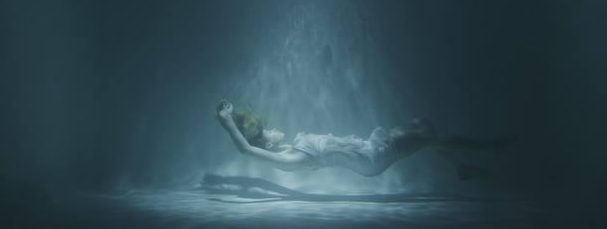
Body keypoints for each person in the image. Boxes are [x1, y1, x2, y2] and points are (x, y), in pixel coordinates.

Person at [215, 100, 518, 179]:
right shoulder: (293, 159)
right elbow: (246, 150)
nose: (273, 128)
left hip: (368, 149)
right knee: (429, 136)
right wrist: (228, 121)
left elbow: (252, 144)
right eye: (267, 130)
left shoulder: (294, 145)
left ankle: (460, 170)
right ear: (265, 142)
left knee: (421, 125)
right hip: (372, 158)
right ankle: (490, 146)